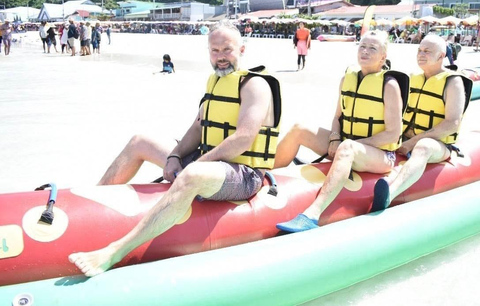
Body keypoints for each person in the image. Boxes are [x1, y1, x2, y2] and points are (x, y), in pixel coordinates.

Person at [68, 20, 282, 277]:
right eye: (215, 51)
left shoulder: (256, 85)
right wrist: (175, 156)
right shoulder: (214, 81)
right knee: (140, 141)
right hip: (210, 160)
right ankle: (89, 211)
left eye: (227, 50)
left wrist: (196, 164)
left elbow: (243, 139)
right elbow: (197, 127)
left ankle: (114, 251)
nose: (221, 57)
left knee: (191, 175)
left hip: (244, 174)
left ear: (242, 49)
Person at [275, 31, 408, 232]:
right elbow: (338, 117)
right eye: (362, 46)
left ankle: (312, 215)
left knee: (348, 147)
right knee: (299, 129)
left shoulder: (389, 85)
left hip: (380, 155)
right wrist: (335, 138)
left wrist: (351, 145)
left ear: (383, 56)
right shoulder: (347, 78)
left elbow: (393, 134)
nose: (365, 51)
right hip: (347, 144)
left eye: (372, 48)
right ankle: (264, 177)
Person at [370, 34, 472, 212]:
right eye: (419, 50)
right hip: (404, 140)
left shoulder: (453, 82)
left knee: (423, 146)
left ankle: (389, 194)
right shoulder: (412, 78)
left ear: (441, 56)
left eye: (427, 51)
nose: (421, 54)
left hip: (437, 145)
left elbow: (452, 124)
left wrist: (412, 143)